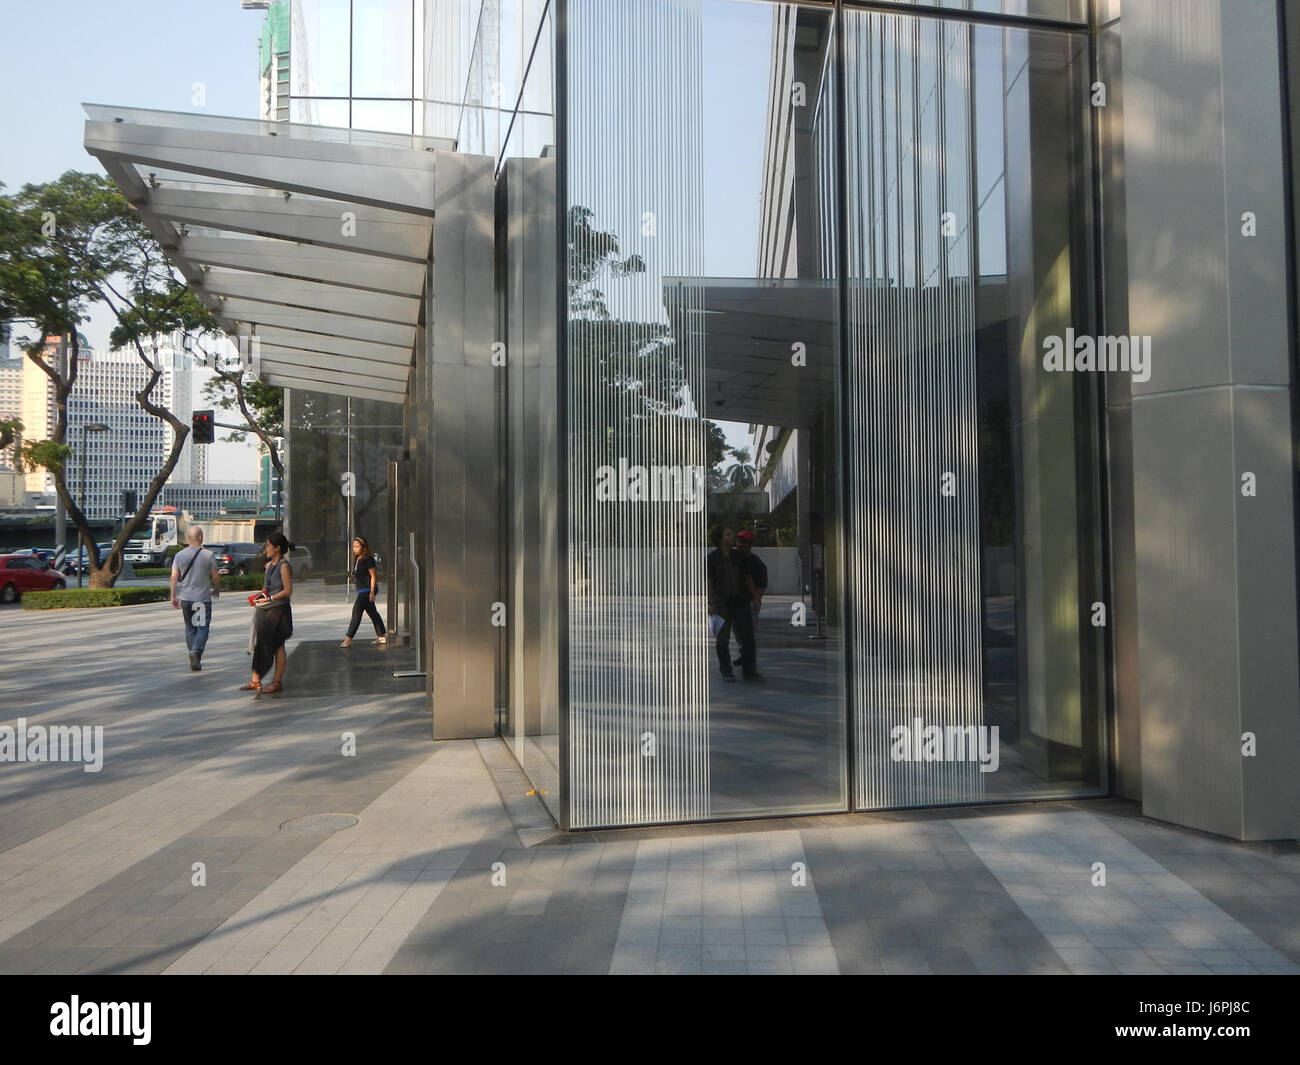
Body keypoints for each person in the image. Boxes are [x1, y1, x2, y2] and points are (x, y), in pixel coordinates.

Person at [242, 531, 294, 694]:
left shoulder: (284, 566)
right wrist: (259, 598)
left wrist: (269, 598)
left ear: (277, 548)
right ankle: (255, 680)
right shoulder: (269, 565)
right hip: (266, 610)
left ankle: (277, 682)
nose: (266, 549)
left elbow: (287, 590)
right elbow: (266, 589)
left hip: (279, 610)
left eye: (269, 546)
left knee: (278, 645)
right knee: (261, 644)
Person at [706, 528, 761, 681]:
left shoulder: (739, 556)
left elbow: (747, 577)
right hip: (721, 602)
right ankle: (726, 670)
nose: (733, 538)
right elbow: (709, 582)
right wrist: (710, 602)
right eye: (728, 534)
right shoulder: (712, 559)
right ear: (720, 539)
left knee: (748, 637)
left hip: (740, 601)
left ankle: (749, 669)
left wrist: (755, 597)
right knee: (722, 639)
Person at [170, 526, 220, 672]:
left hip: (185, 598)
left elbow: (174, 577)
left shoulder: (179, 555)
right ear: (200, 538)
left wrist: (173, 595)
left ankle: (193, 653)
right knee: (202, 627)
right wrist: (217, 589)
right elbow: (215, 576)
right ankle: (195, 652)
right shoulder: (208, 555)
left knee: (190, 629)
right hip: (202, 599)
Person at [341, 536, 387, 647]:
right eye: (353, 546)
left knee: (356, 612)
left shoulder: (368, 559)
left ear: (363, 547)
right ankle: (382, 636)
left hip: (367, 590)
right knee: (372, 612)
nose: (355, 549)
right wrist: (353, 577)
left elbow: (373, 576)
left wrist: (371, 591)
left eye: (357, 546)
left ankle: (348, 638)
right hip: (362, 589)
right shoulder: (357, 559)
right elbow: (360, 574)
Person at [732, 530, 768, 668]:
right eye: (738, 541)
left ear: (750, 545)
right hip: (736, 602)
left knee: (749, 632)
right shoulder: (734, 559)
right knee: (736, 629)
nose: (739, 544)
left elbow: (761, 584)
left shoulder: (755, 562)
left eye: (743, 542)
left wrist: (756, 601)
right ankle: (744, 654)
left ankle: (749, 662)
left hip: (749, 603)